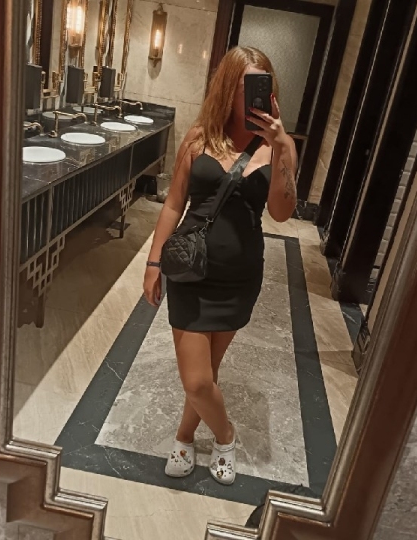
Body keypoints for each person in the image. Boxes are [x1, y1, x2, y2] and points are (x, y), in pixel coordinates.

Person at [143, 46, 297, 485]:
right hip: (190, 270)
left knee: (207, 372)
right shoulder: (199, 138)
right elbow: (174, 204)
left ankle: (184, 437)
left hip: (239, 277)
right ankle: (225, 435)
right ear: (228, 89)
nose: (254, 96)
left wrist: (280, 148)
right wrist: (153, 262)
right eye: (245, 87)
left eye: (262, 86)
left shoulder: (280, 146)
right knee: (196, 380)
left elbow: (282, 212)